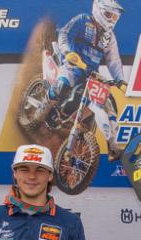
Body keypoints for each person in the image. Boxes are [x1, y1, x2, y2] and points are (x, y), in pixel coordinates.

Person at [47, 0, 127, 158]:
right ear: (99, 10)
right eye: (109, 15)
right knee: (62, 86)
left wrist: (120, 81)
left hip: (91, 73)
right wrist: (68, 52)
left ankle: (113, 147)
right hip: (72, 64)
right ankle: (45, 107)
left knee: (109, 104)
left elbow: (114, 60)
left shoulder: (109, 37)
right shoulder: (83, 20)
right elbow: (64, 33)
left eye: (115, 17)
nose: (111, 20)